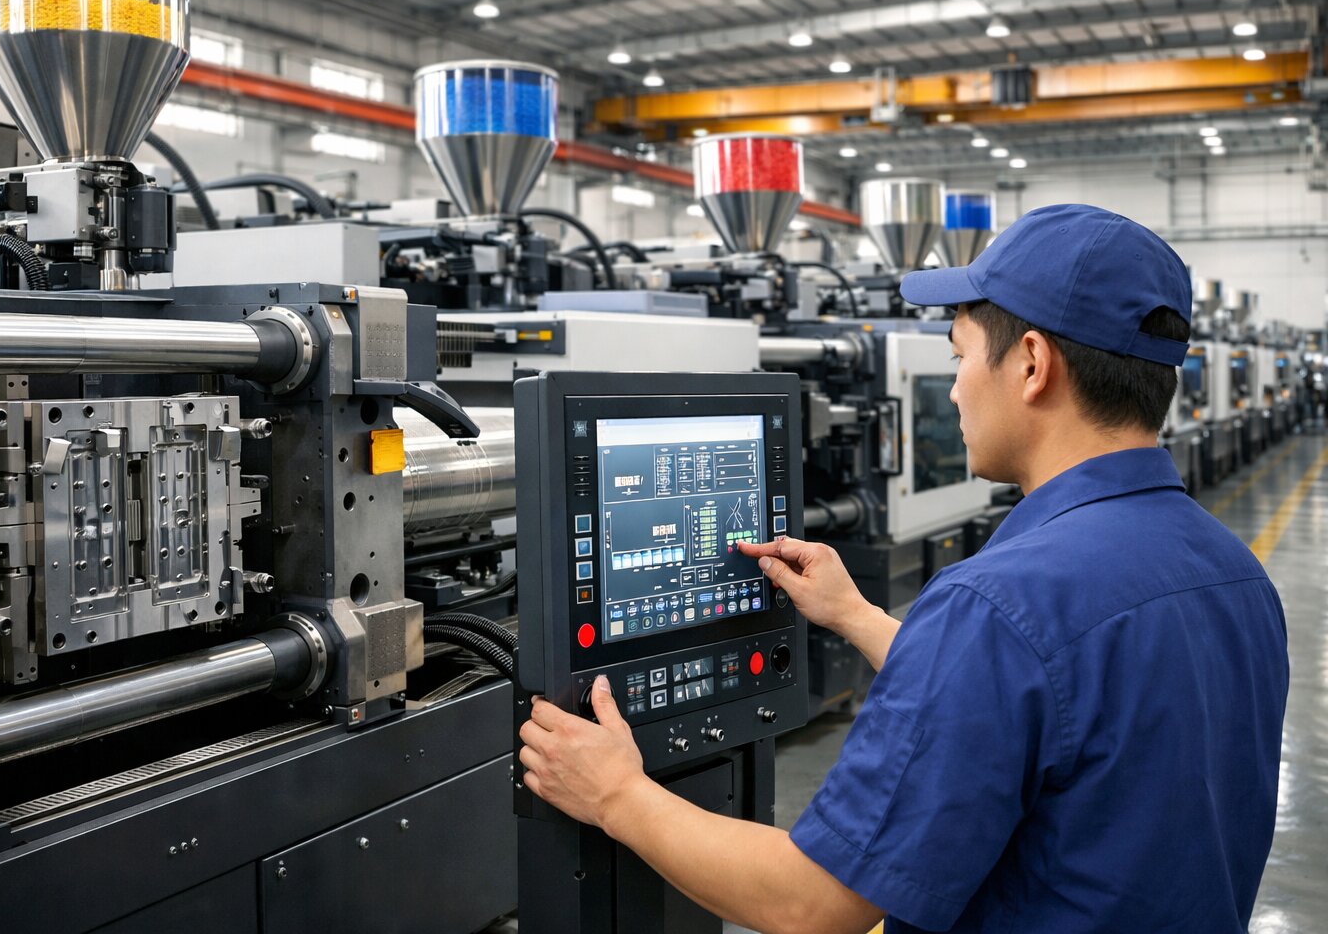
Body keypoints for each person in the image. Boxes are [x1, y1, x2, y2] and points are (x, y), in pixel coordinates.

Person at [517, 204, 1289, 934]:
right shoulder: (1233, 574)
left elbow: (812, 902)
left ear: (1031, 364)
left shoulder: (998, 606)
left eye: (959, 356)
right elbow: (1047, 707)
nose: (952, 388)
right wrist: (855, 616)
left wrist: (617, 794)